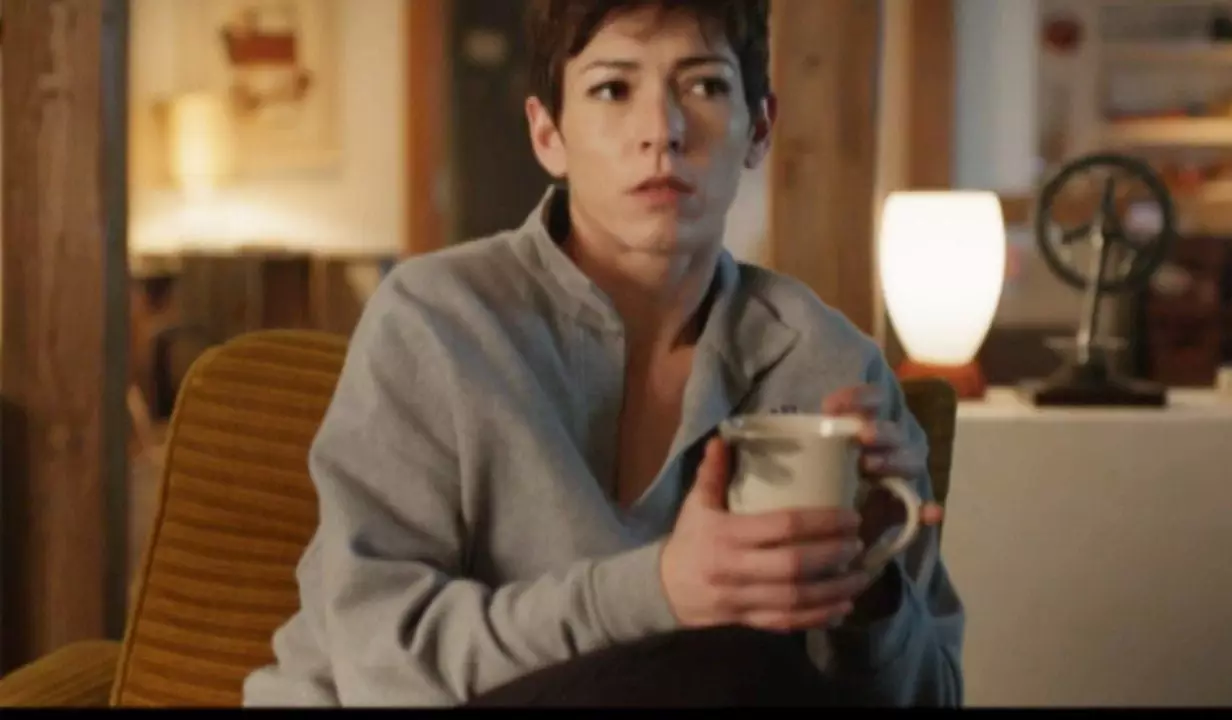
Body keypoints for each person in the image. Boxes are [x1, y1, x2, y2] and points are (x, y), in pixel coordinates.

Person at [242, 0, 964, 707]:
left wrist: (870, 586)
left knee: (749, 668)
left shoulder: (829, 366)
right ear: (547, 134)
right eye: (613, 89)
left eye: (705, 86)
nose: (662, 130)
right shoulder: (436, 321)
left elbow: (938, 692)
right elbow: (381, 664)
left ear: (759, 128)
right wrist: (661, 592)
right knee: (736, 661)